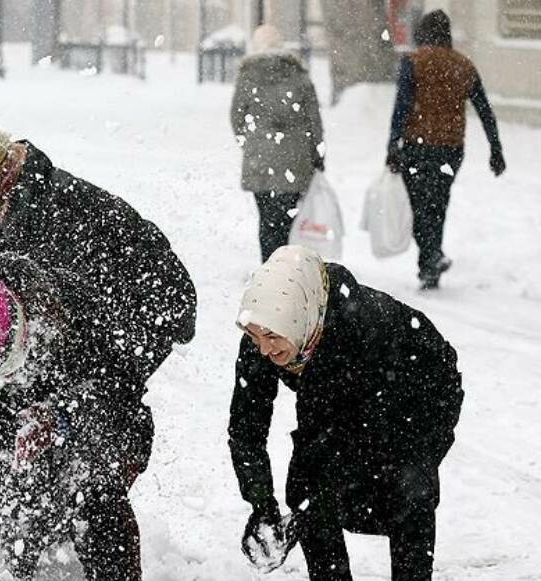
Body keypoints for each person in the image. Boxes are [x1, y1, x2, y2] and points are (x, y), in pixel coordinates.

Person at [0, 86, 197, 580]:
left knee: (86, 467)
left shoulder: (72, 218)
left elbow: (174, 305)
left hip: (113, 356)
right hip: (47, 360)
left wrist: (88, 389)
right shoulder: (5, 218)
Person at [228, 245, 463, 581]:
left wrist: (309, 508)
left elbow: (343, 433)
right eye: (254, 336)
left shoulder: (359, 326)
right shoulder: (265, 330)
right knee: (309, 489)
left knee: (406, 489)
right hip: (348, 395)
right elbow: (245, 428)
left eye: (271, 337)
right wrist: (262, 505)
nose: (264, 348)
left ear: (300, 319)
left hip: (418, 389)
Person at [386, 10, 506, 290]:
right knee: (437, 205)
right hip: (450, 150)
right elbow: (485, 110)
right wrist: (495, 148)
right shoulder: (463, 65)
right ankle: (432, 262)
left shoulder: (413, 62)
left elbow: (402, 107)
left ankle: (431, 258)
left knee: (420, 208)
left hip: (417, 148)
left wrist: (392, 144)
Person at [230, 24, 325, 263]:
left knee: (266, 218)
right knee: (286, 218)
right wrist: (317, 152)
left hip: (260, 158)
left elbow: (236, 116)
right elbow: (314, 119)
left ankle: (269, 266)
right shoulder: (299, 74)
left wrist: (251, 141)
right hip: (295, 157)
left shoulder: (248, 74)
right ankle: (283, 265)